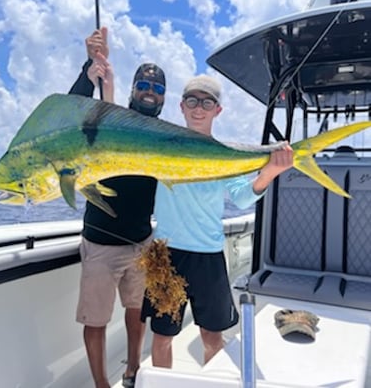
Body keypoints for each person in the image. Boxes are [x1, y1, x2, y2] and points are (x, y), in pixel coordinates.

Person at [141, 74, 294, 368]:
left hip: (208, 256)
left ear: (217, 110)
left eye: (207, 102)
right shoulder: (160, 146)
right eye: (192, 101)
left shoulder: (226, 154)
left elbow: (241, 197)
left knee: (212, 337)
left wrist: (271, 172)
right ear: (182, 107)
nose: (199, 108)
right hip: (165, 254)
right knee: (162, 337)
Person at [69, 27, 166, 388]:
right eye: (144, 85)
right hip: (100, 242)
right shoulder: (110, 120)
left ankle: (132, 370)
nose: (149, 92)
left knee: (136, 311)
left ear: (163, 99)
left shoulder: (165, 136)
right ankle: (101, 385)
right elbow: (75, 115)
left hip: (141, 242)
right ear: (133, 89)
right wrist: (89, 70)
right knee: (95, 321)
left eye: (157, 89)